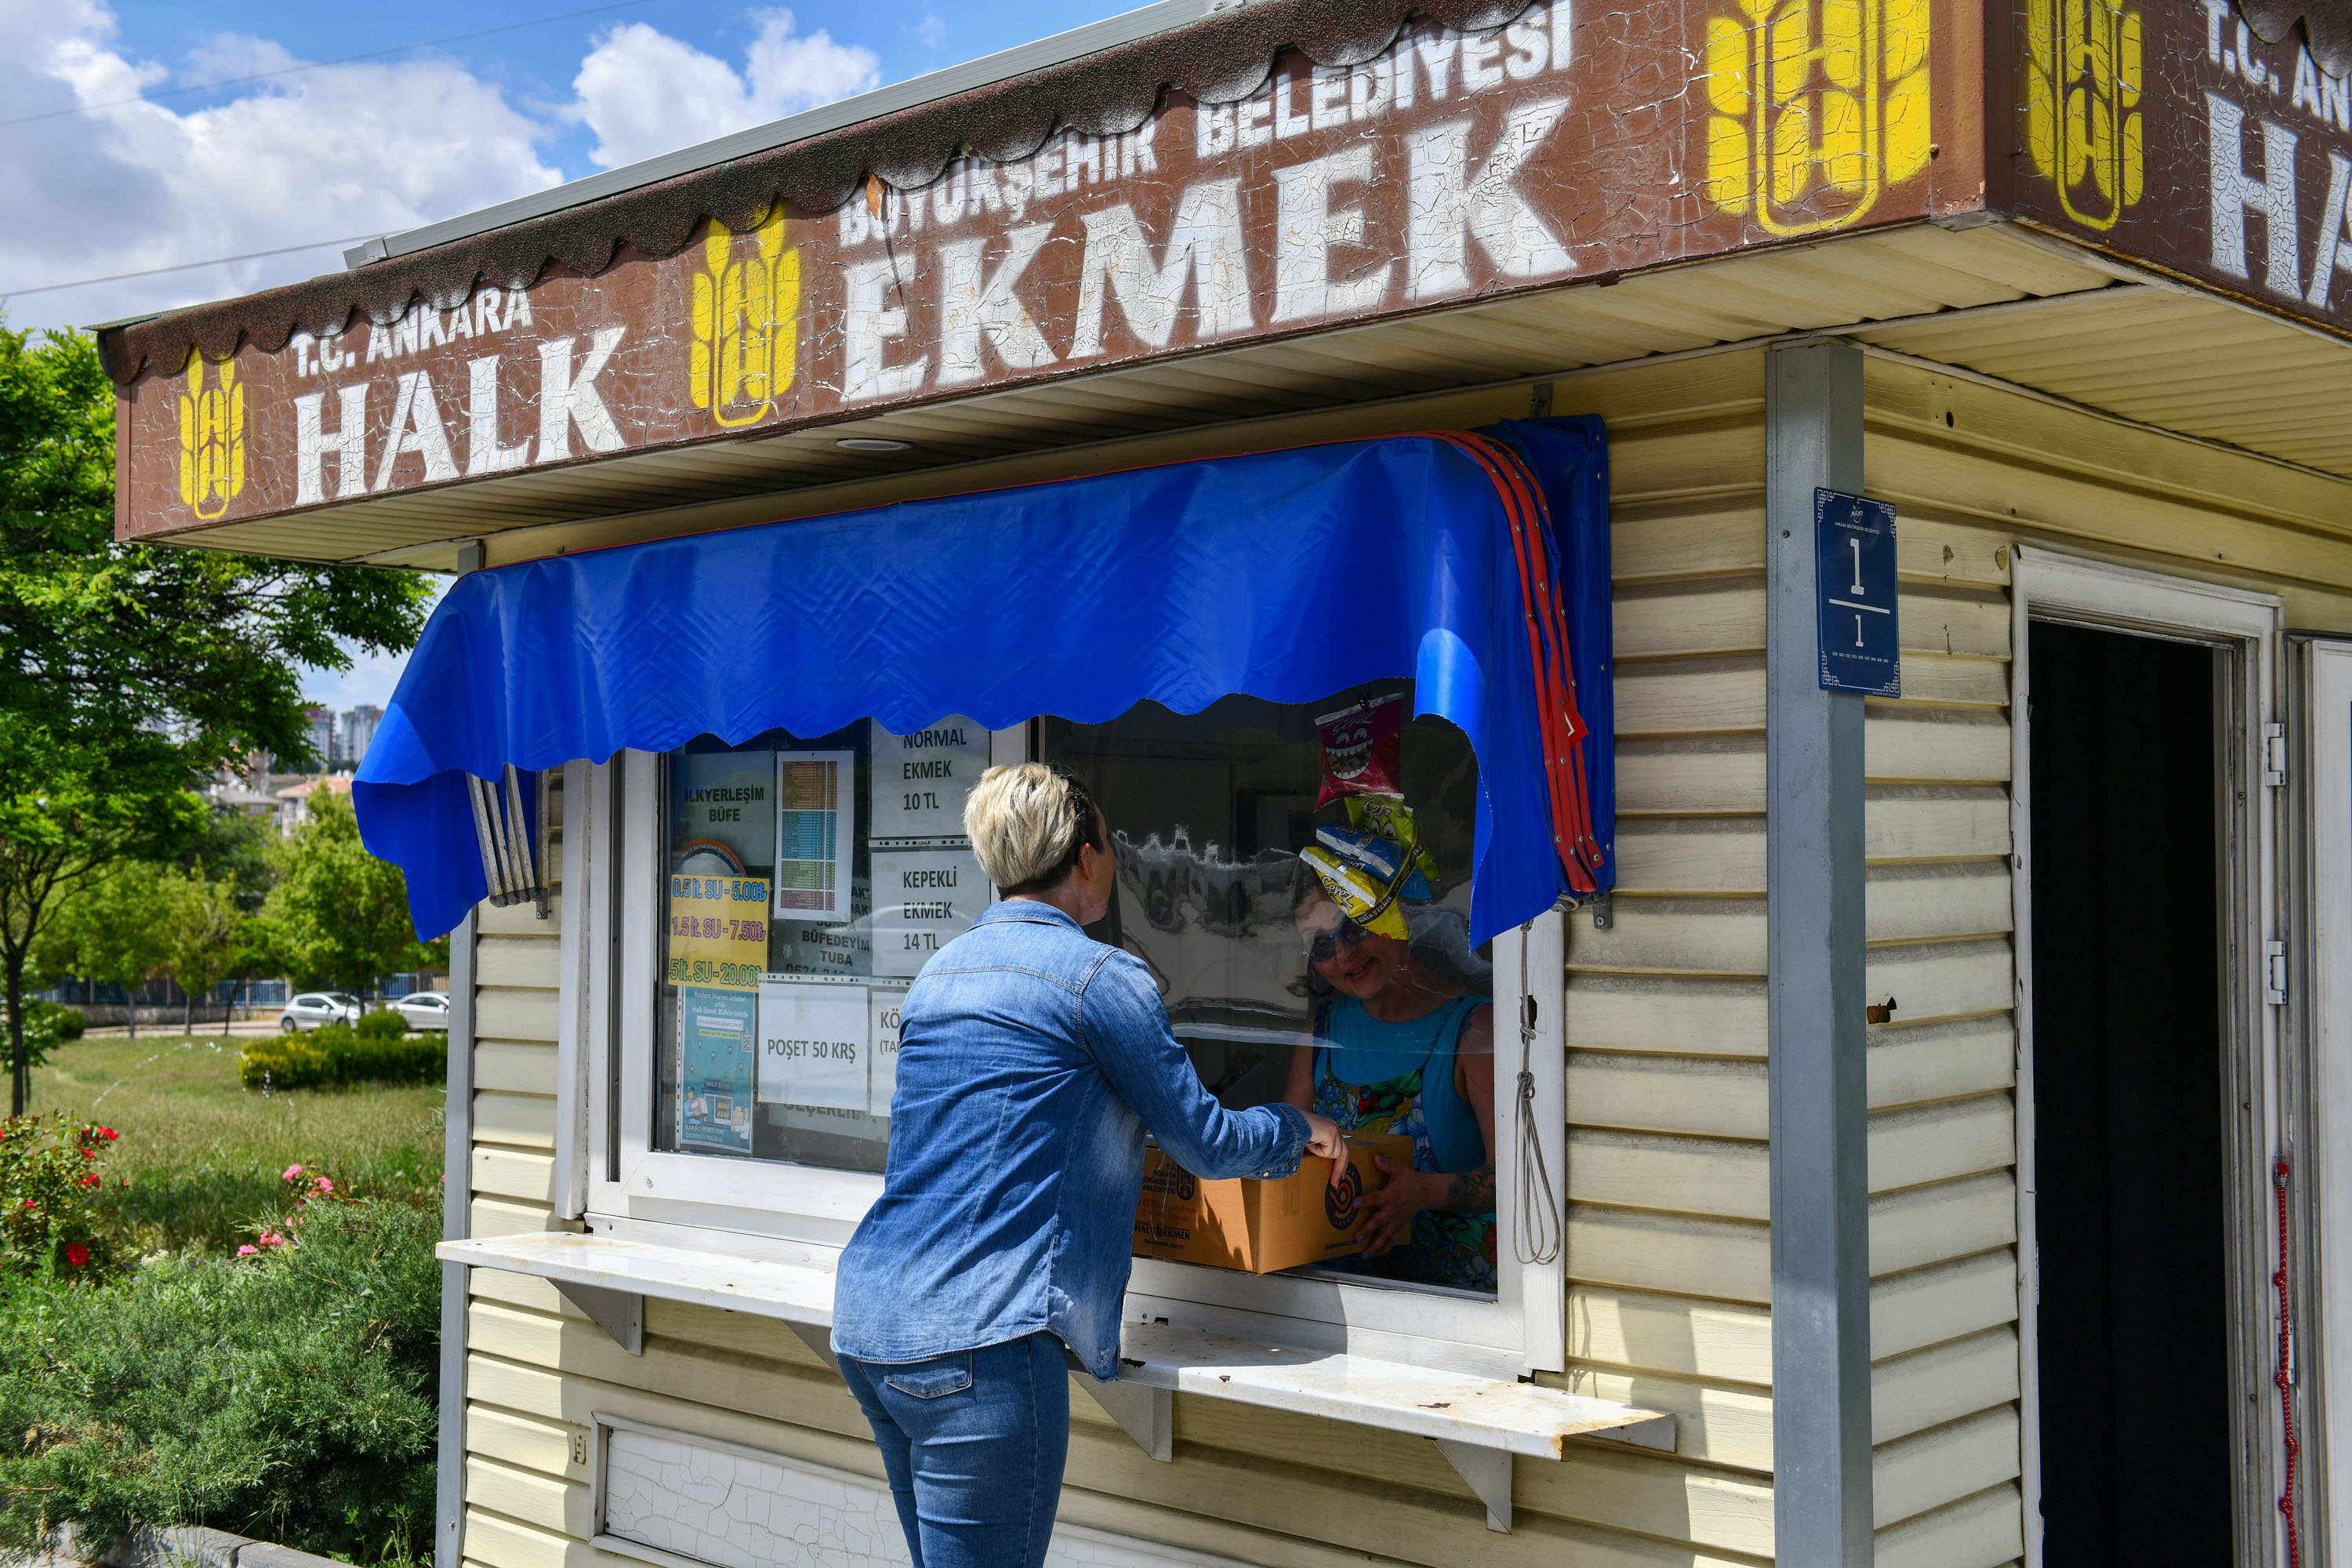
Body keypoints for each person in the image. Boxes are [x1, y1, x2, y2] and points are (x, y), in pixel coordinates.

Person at [831, 762, 1345, 1568]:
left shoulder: (939, 974)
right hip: (982, 1342)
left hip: (873, 1321)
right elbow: (1204, 1142)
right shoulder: (1101, 979)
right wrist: (1295, 1126)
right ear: (1084, 858)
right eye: (1111, 844)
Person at [1283, 880, 1497, 1290]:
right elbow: (1287, 1160)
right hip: (1338, 1299)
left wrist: (1425, 1192)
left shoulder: (1474, 1029)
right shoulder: (1321, 1031)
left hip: (1461, 1305)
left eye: (1355, 925)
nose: (1344, 952)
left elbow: (1517, 1184)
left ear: (1399, 915)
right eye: (1321, 944)